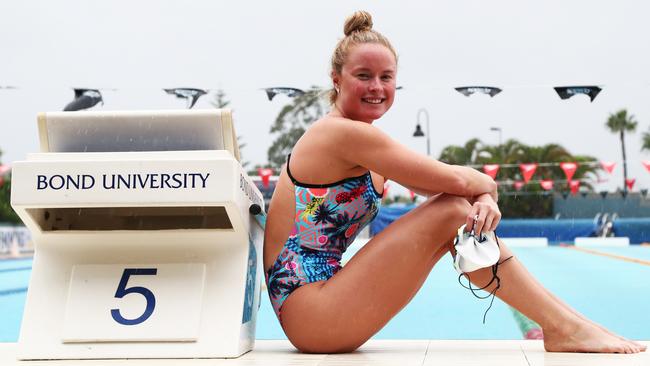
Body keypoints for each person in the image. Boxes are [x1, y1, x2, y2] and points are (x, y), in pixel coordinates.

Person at [263, 10, 646, 354]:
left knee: (456, 210)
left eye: (386, 77)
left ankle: (571, 325)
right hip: (310, 313)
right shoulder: (342, 134)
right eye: (363, 76)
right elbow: (456, 179)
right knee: (452, 212)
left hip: (320, 303)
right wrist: (485, 193)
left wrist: (482, 197)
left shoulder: (360, 139)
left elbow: (452, 185)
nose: (376, 87)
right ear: (337, 79)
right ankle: (564, 327)